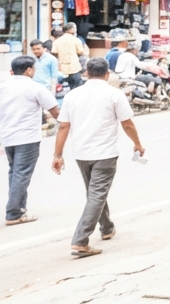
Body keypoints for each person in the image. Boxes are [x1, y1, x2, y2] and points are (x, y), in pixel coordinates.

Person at [53, 58, 145, 259]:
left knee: (94, 193)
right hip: (105, 154)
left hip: (81, 154)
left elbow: (63, 126)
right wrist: (137, 144)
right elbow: (127, 124)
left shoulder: (72, 95)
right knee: (96, 194)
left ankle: (107, 227)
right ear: (107, 74)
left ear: (86, 72)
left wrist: (57, 155)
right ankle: (80, 240)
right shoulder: (114, 94)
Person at [0, 56, 59, 226]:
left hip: (8, 136)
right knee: (21, 173)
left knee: (15, 172)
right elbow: (54, 110)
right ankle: (13, 213)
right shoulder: (35, 87)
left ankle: (20, 208)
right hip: (27, 137)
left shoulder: (3, 86)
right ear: (29, 70)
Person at [53, 24, 87, 89]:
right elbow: (81, 52)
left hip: (62, 68)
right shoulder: (76, 40)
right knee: (76, 88)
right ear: (70, 30)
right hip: (74, 67)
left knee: (62, 88)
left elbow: (54, 52)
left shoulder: (57, 41)